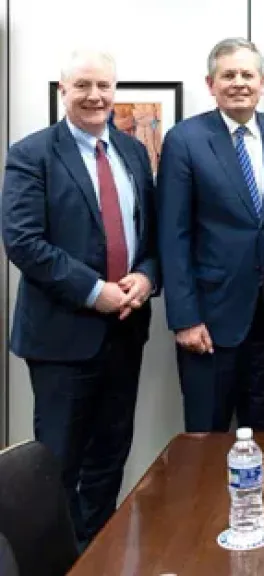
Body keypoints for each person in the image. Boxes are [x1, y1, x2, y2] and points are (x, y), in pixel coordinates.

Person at [1, 50, 159, 548]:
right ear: (63, 91)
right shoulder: (32, 154)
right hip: (62, 337)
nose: (94, 96)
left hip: (125, 332)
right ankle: (56, 563)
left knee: (109, 459)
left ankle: (97, 556)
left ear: (115, 90)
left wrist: (146, 277)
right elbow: (23, 241)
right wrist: (95, 292)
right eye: (83, 85)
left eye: (104, 86)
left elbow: (150, 235)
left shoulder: (133, 153)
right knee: (58, 466)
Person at [157, 38, 264, 433]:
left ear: (263, 82)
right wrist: (185, 318)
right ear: (211, 84)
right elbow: (173, 235)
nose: (239, 83)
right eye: (228, 75)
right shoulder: (185, 140)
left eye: (247, 74)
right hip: (209, 320)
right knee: (205, 439)